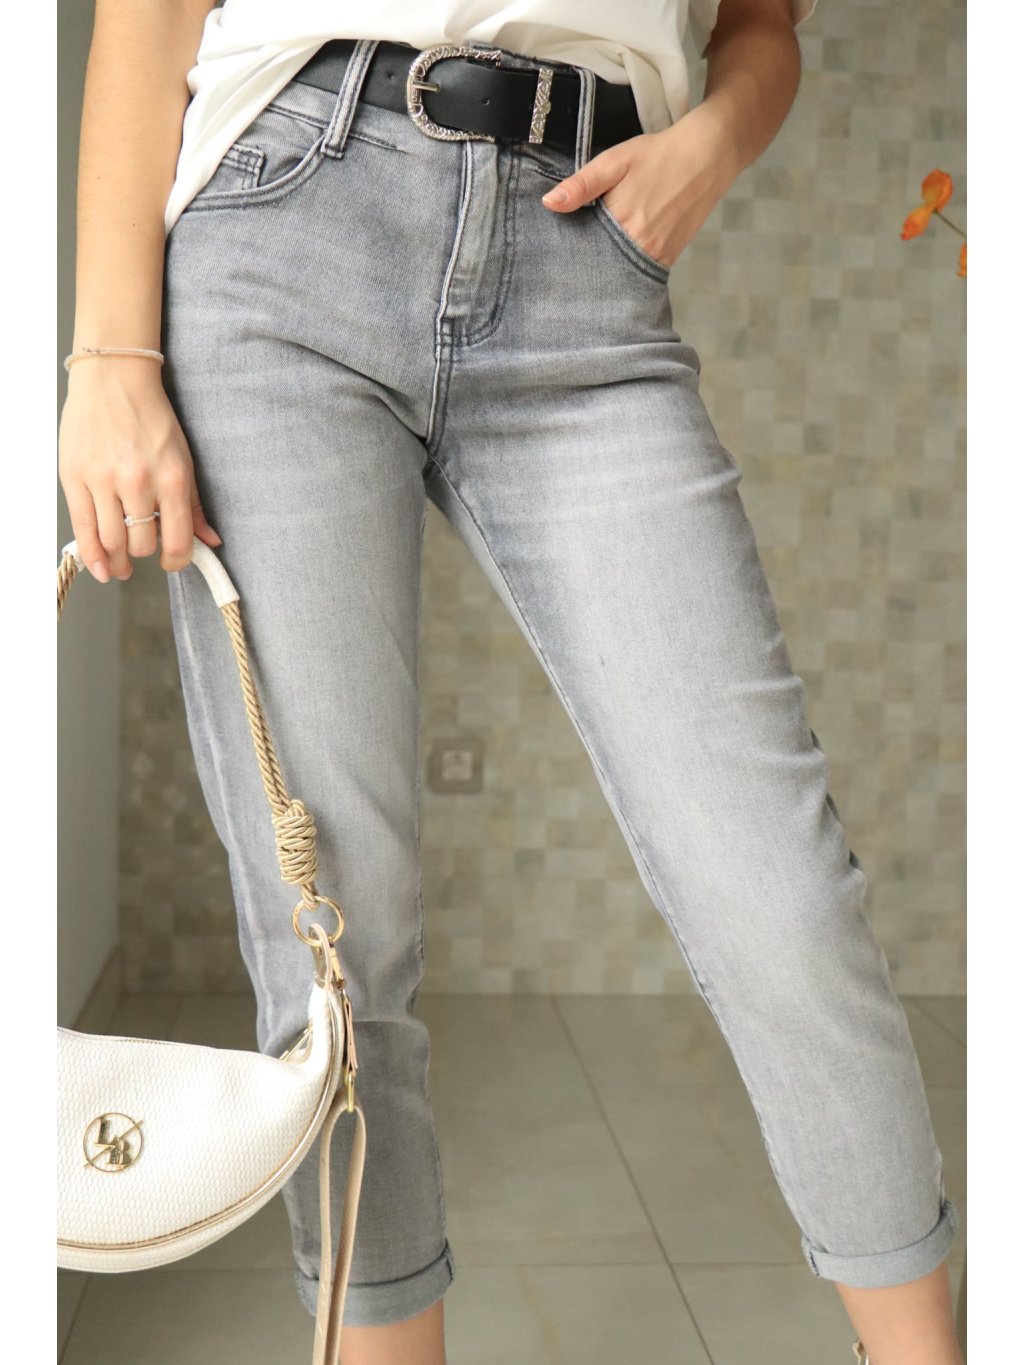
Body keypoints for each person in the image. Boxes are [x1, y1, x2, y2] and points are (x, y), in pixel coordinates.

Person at [57, 3, 964, 1364]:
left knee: (780, 894)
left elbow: (763, 24)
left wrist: (715, 141)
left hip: (582, 254)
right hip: (286, 214)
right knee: (335, 941)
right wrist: (110, 357)